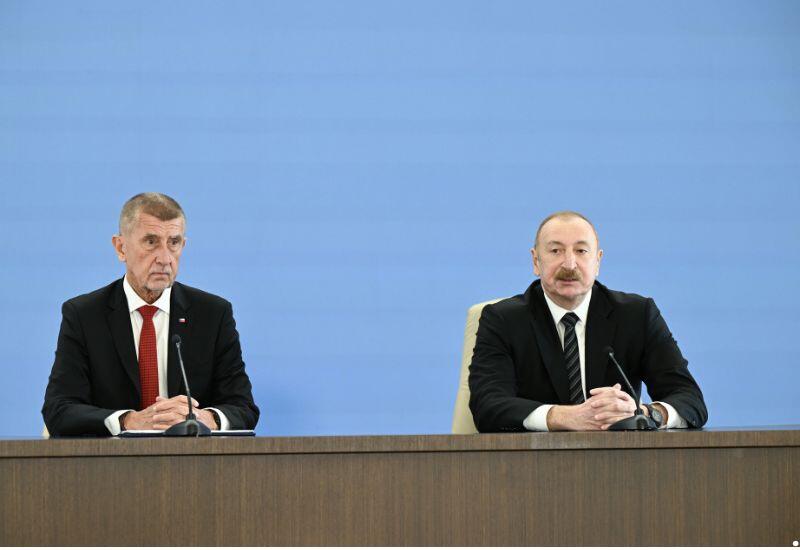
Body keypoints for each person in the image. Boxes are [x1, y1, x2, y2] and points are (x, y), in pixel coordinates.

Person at [468, 211, 707, 432]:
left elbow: (690, 399)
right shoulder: (502, 319)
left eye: (581, 251)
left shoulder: (637, 314)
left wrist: (643, 414)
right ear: (536, 261)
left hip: (619, 458)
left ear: (598, 261)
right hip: (533, 459)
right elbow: (487, 405)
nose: (569, 264)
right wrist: (562, 416)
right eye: (555, 251)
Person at [43, 193, 259, 436]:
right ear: (121, 247)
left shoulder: (213, 314)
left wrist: (204, 418)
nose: (165, 258)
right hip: (113, 458)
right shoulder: (84, 315)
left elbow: (243, 408)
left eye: (174, 242)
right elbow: (59, 410)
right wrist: (129, 421)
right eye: (151, 242)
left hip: (192, 457)